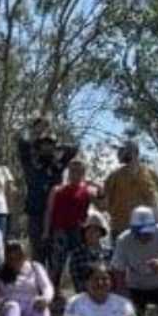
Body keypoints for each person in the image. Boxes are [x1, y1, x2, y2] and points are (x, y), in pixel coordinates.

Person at [17, 117, 79, 262]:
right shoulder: (30, 165)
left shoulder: (57, 165)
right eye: (43, 145)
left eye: (50, 145)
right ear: (38, 147)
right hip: (35, 214)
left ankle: (53, 284)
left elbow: (73, 149)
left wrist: (57, 145)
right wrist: (36, 135)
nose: (47, 147)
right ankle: (39, 283)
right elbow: (22, 143)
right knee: (38, 254)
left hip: (55, 215)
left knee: (55, 255)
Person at [45, 156, 101, 291]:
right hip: (60, 231)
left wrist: (97, 185)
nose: (76, 174)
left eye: (79, 171)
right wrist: (46, 232)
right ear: (68, 172)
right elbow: (49, 211)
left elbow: (102, 206)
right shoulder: (57, 189)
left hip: (79, 232)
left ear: (83, 173)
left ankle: (83, 290)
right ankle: (53, 292)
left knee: (81, 263)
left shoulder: (88, 191)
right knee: (56, 264)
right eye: (73, 170)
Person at [104, 139, 158, 237]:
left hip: (144, 227)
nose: (122, 153)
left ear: (135, 152)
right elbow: (106, 202)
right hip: (120, 227)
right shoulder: (114, 176)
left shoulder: (151, 174)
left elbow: (154, 201)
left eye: (126, 150)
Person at [68, 210, 113, 293]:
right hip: (84, 296)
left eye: (95, 230)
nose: (91, 233)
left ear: (101, 233)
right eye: (89, 230)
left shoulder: (110, 253)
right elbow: (76, 280)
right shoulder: (77, 254)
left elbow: (113, 278)